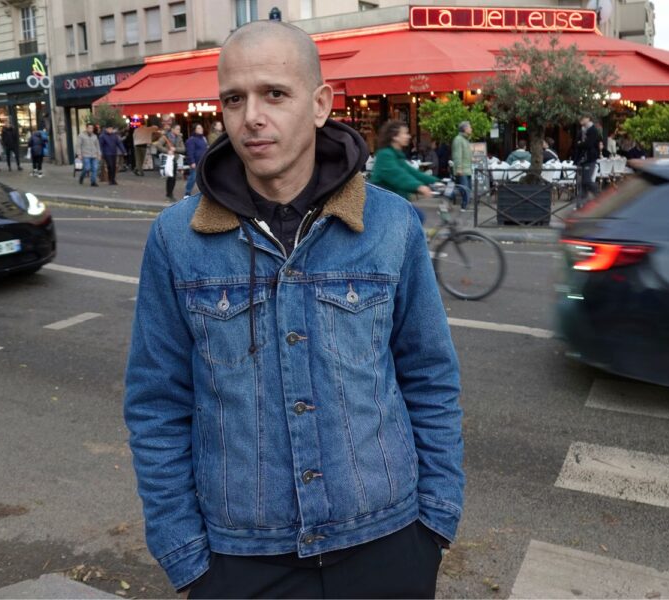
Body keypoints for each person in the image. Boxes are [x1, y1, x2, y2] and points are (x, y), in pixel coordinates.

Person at [124, 20, 463, 599]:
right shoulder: (177, 239)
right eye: (234, 99)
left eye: (274, 94)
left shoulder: (389, 224)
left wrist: (434, 519)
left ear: (320, 104)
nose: (251, 117)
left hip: (387, 542)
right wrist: (187, 556)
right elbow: (156, 404)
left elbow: (429, 376)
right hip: (242, 560)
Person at [370, 120, 437, 224]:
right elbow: (398, 176)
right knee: (417, 218)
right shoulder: (385, 155)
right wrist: (419, 187)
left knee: (416, 218)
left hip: (397, 201)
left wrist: (437, 181)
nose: (408, 136)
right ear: (395, 136)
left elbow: (414, 173)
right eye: (405, 133)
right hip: (385, 204)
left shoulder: (397, 156)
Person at [574, 115, 602, 204]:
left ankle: (600, 195)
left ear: (588, 118)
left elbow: (589, 144)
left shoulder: (593, 130)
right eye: (580, 117)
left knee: (587, 180)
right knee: (581, 183)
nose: (580, 119)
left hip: (589, 159)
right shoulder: (581, 131)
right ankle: (581, 203)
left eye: (583, 117)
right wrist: (581, 144)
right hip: (581, 159)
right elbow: (576, 143)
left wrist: (580, 143)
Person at [154, 122, 185, 201]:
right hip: (168, 159)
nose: (179, 131)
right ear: (172, 129)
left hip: (174, 159)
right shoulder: (165, 137)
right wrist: (167, 151)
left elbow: (183, 149)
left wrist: (175, 149)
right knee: (170, 177)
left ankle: (170, 194)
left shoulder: (179, 137)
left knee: (173, 177)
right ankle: (169, 194)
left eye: (179, 129)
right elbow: (158, 145)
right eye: (177, 129)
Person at [451, 120, 473, 210]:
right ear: (464, 129)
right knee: (464, 188)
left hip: (467, 169)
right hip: (462, 169)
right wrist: (459, 168)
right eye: (469, 127)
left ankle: (465, 205)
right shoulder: (458, 139)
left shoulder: (465, 140)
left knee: (468, 188)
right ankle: (464, 206)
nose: (471, 129)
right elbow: (457, 155)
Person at [183, 123, 208, 197]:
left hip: (203, 161)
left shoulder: (203, 138)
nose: (201, 129)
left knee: (203, 177)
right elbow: (190, 151)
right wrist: (192, 162)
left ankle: (204, 192)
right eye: (199, 128)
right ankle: (187, 192)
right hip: (195, 162)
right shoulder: (191, 140)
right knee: (193, 177)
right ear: (195, 130)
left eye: (201, 128)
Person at [77, 123, 101, 187]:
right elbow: (78, 145)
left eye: (92, 128)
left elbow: (97, 146)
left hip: (94, 155)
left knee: (95, 168)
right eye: (89, 128)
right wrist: (79, 154)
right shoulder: (81, 135)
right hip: (85, 154)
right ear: (86, 128)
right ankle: (82, 177)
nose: (91, 129)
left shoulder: (95, 136)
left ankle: (93, 182)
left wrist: (99, 154)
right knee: (87, 168)